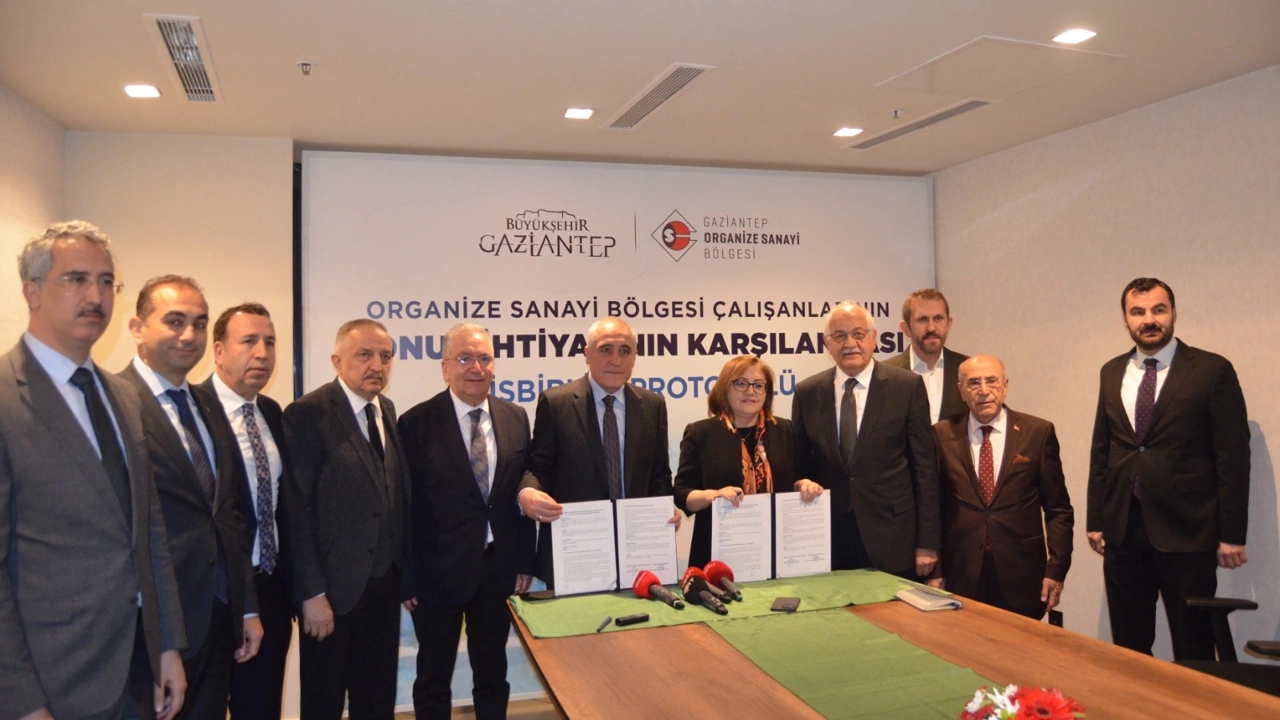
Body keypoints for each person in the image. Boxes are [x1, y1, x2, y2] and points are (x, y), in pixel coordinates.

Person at [1, 221, 187, 720]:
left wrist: (167, 645)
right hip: (52, 680)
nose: (96, 296)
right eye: (76, 279)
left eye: (106, 282)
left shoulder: (123, 395)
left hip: (136, 670)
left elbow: (147, 529)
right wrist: (21, 701)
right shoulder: (5, 397)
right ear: (32, 291)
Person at [119, 276, 261, 720]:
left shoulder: (207, 404)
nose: (189, 335)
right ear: (137, 328)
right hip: (151, 627)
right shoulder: (114, 403)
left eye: (199, 324)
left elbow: (228, 514)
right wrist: (158, 638)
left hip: (218, 618)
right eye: (174, 321)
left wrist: (246, 607)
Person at [1087, 278, 1250, 660]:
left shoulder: (1212, 370)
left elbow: (1232, 458)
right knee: (1129, 649)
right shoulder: (1111, 371)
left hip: (1188, 533)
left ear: (1173, 313)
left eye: (1158, 310)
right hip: (1124, 531)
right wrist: (1097, 518)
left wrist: (1232, 534)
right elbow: (1102, 450)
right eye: (1138, 312)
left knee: (1193, 648)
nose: (1149, 319)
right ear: (1125, 319)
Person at [398, 323, 536, 720]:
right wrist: (406, 578)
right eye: (464, 358)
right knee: (433, 676)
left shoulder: (515, 417)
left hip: (497, 569)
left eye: (484, 358)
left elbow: (520, 488)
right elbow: (403, 507)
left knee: (493, 673)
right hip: (435, 573)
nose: (475, 367)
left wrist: (523, 560)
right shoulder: (415, 423)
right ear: (445, 368)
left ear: (494, 366)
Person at [284, 319, 410, 720]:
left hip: (384, 586)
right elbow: (297, 511)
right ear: (337, 361)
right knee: (323, 704)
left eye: (385, 356)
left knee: (376, 702)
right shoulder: (309, 413)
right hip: (332, 594)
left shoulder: (386, 409)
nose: (377, 365)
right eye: (364, 355)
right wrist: (311, 593)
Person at [518, 316, 676, 585]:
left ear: (634, 358)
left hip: (637, 553)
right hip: (576, 550)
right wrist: (528, 492)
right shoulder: (556, 403)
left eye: (625, 351)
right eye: (606, 349)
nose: (615, 360)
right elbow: (539, 468)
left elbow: (659, 474)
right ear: (588, 354)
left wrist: (663, 510)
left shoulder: (653, 405)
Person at [790, 301, 939, 579]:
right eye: (839, 336)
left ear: (873, 338)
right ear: (827, 343)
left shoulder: (906, 387)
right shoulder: (806, 392)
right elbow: (800, 465)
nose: (850, 343)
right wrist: (802, 482)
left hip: (893, 537)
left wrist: (927, 542)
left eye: (858, 334)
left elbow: (925, 469)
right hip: (830, 540)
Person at [200, 303, 293, 720]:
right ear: (219, 351)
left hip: (269, 587)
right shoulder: (193, 411)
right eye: (249, 341)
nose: (262, 353)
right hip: (214, 595)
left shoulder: (271, 412)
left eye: (269, 343)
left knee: (261, 708)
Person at [931, 355, 1074, 618]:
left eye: (992, 381)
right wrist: (936, 570)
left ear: (1005, 386)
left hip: (1022, 574)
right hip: (962, 573)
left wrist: (1056, 569)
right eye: (974, 383)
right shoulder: (941, 434)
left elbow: (1059, 510)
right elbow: (933, 508)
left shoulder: (1038, 432)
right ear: (961, 391)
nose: (984, 390)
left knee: (1021, 644)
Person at [673, 355, 823, 570]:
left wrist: (805, 484)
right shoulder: (701, 433)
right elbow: (682, 493)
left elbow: (796, 478)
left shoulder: (784, 429)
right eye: (741, 383)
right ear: (724, 388)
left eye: (758, 385)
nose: (750, 391)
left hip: (776, 550)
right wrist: (714, 495)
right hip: (718, 554)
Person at [883, 288, 969, 423]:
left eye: (938, 318)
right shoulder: (884, 375)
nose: (931, 328)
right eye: (922, 320)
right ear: (906, 328)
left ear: (948, 324)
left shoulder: (968, 370)